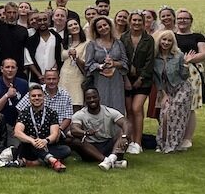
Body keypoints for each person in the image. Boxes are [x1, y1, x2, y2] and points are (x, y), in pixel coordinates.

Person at [84, 16, 130, 144]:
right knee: (101, 108)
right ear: (96, 30)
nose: (103, 28)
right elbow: (88, 65)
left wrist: (114, 64)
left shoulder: (118, 43)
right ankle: (100, 140)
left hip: (116, 80)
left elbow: (125, 62)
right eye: (99, 27)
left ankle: (118, 140)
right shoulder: (92, 45)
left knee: (117, 108)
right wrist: (100, 66)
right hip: (100, 80)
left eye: (105, 25)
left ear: (110, 26)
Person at [153, 30, 197, 153]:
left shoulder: (178, 56)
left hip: (182, 88)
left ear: (173, 42)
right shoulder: (155, 58)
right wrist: (163, 94)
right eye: (164, 39)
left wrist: (186, 64)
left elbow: (184, 76)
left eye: (169, 40)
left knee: (175, 113)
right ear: (159, 41)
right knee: (164, 115)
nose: (166, 42)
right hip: (167, 91)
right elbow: (157, 79)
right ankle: (162, 143)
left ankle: (173, 145)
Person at [69, 88, 129, 170]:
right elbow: (74, 129)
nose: (92, 100)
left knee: (124, 131)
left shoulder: (109, 111)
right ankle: (108, 160)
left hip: (109, 144)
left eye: (94, 97)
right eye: (88, 98)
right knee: (76, 141)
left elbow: (126, 123)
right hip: (90, 148)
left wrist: (124, 137)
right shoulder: (80, 114)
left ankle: (111, 158)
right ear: (85, 100)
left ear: (99, 98)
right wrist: (85, 132)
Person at [175, 8, 205, 150]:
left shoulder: (197, 37)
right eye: (180, 18)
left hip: (192, 74)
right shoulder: (171, 35)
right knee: (174, 105)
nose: (182, 21)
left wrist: (188, 59)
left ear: (191, 21)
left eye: (185, 18)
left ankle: (187, 138)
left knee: (190, 106)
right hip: (174, 73)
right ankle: (175, 135)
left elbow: (203, 53)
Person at [13, 85, 70, 172]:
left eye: (39, 95)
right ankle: (53, 161)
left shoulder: (52, 113)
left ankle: (35, 163)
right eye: (33, 96)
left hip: (46, 146)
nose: (36, 98)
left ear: (44, 97)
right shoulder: (25, 113)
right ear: (29, 98)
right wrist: (32, 140)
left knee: (66, 150)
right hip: (30, 148)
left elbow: (54, 133)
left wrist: (45, 141)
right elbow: (17, 132)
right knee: (33, 142)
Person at [122, 10, 155, 149]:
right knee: (129, 110)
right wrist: (126, 78)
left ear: (144, 22)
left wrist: (140, 78)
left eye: (139, 20)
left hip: (144, 80)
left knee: (137, 108)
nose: (136, 23)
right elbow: (121, 57)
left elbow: (150, 61)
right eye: (134, 20)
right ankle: (130, 141)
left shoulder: (149, 40)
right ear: (130, 22)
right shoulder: (123, 38)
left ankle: (138, 142)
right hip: (126, 79)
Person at [0, 58, 30, 134]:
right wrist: (7, 95)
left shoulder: (23, 84)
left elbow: (27, 108)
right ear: (2, 69)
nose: (10, 70)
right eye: (7, 67)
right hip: (0, 125)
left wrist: (19, 125)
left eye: (13, 67)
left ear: (16, 69)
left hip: (20, 124)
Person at [59, 19, 90, 110]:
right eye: (70, 25)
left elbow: (86, 63)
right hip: (64, 76)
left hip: (78, 76)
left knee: (76, 103)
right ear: (67, 29)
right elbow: (61, 58)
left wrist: (76, 58)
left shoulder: (87, 43)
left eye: (75, 24)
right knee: (63, 103)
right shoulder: (64, 43)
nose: (74, 26)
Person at [24, 12, 61, 83]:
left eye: (45, 19)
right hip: (35, 78)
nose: (42, 22)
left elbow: (59, 57)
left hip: (53, 78)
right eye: (39, 20)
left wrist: (51, 73)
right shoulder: (30, 41)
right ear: (36, 23)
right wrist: (39, 76)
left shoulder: (56, 38)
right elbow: (29, 61)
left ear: (49, 22)